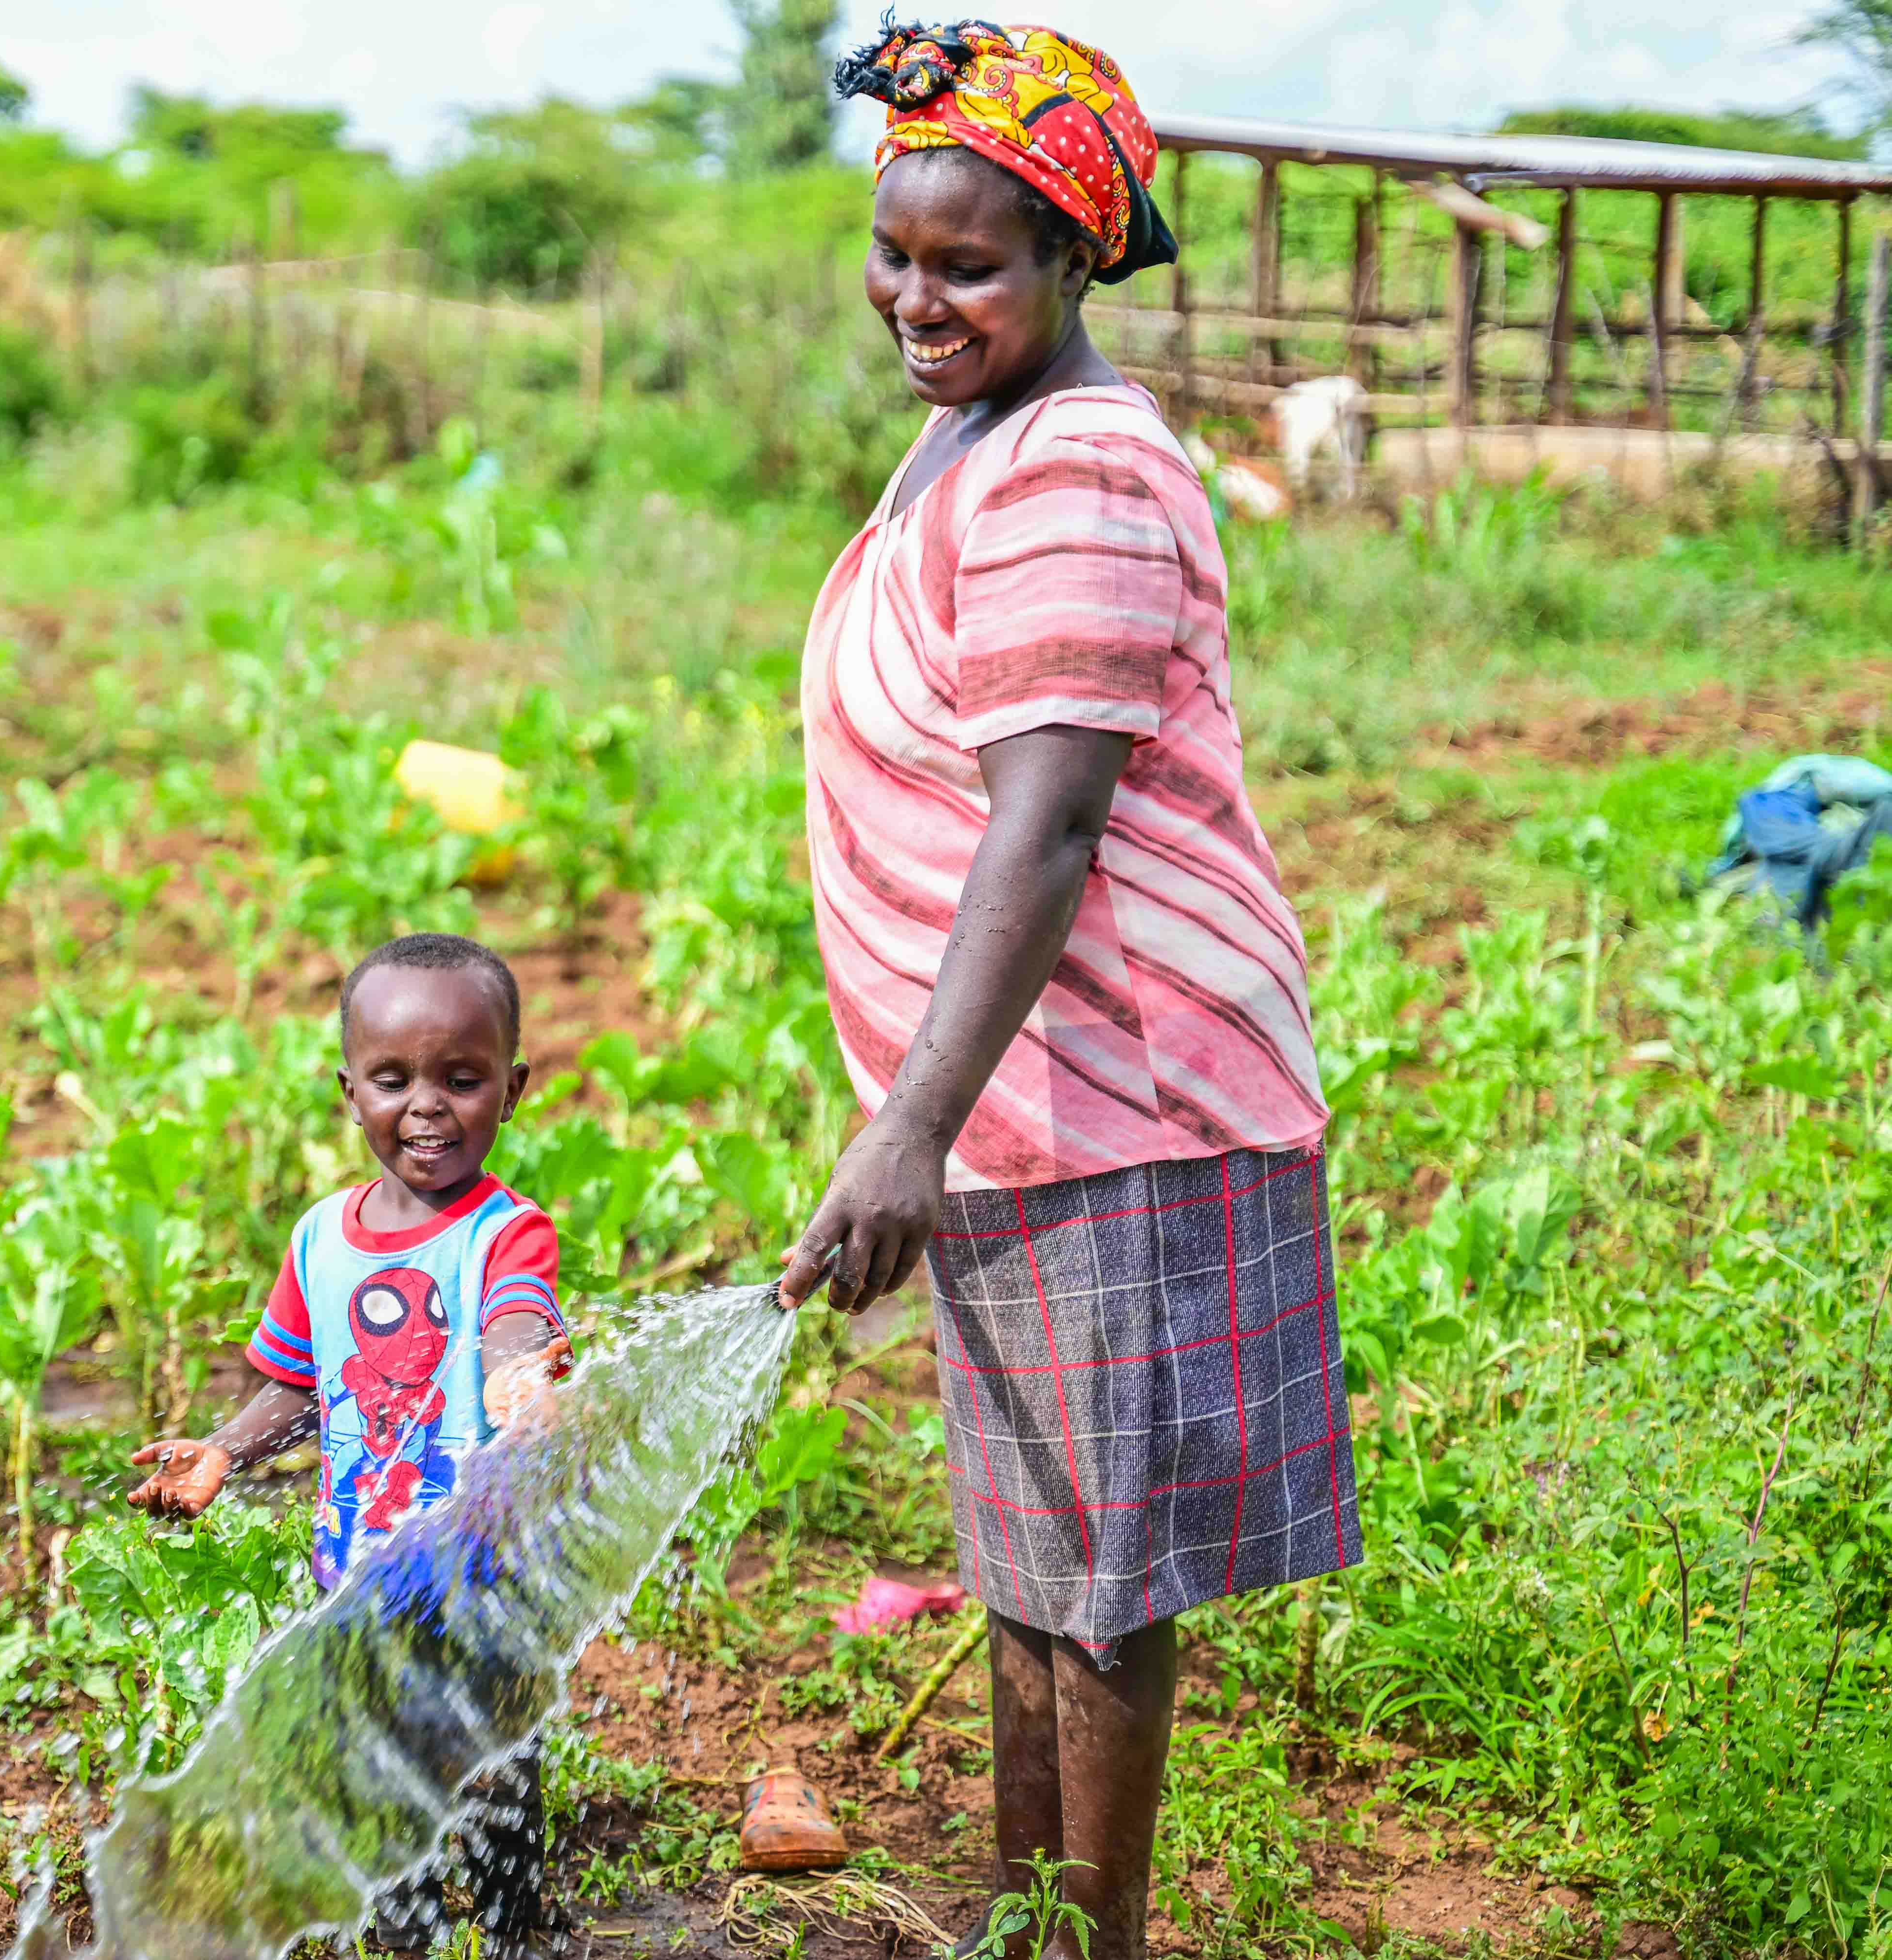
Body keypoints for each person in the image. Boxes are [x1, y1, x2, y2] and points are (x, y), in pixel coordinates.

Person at [771, 20, 1364, 1960]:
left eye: (971, 266)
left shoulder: (1083, 468)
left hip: (1122, 1102)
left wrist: (907, 1123)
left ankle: (1082, 1940)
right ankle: (1028, 1924)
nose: (916, 299)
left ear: (1075, 262)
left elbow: (1046, 830)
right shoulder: (983, 429)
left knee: (1100, 1583)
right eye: (898, 252)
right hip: (1037, 1111)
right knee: (1035, 1572)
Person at [130, 931, 569, 1954]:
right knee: (374, 1775)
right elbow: (293, 1378)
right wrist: (226, 1452)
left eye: (462, 1078)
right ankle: (405, 1931)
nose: (426, 1104)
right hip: (356, 1571)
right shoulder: (321, 1237)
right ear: (349, 1089)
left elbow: (517, 1314)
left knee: (496, 1767)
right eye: (393, 1078)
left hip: (486, 1577)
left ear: (514, 1088)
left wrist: (518, 1367)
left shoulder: (505, 1230)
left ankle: (514, 1932)